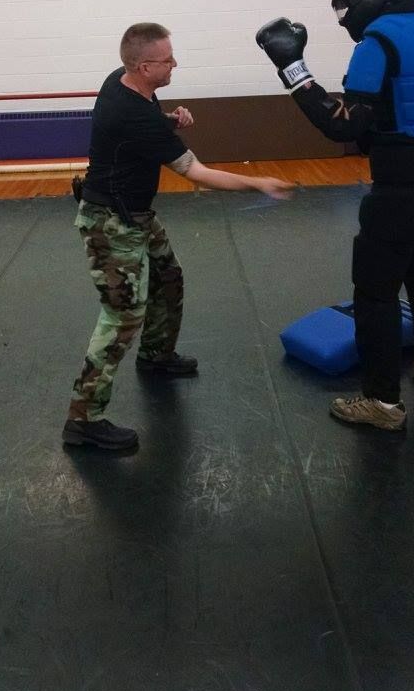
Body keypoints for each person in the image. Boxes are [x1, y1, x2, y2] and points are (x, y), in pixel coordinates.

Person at [64, 22, 293, 450]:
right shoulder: (131, 110)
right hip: (110, 223)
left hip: (135, 214)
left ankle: (156, 356)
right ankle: (83, 419)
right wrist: (258, 182)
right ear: (144, 65)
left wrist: (168, 119)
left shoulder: (123, 82)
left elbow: (144, 121)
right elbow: (198, 174)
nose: (175, 64)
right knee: (121, 316)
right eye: (168, 60)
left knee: (168, 278)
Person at [256, 0, 414, 432]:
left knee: (375, 292)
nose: (346, 20)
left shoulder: (378, 42)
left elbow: (340, 125)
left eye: (345, 9)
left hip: (401, 187)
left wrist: (293, 68)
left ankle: (382, 403)